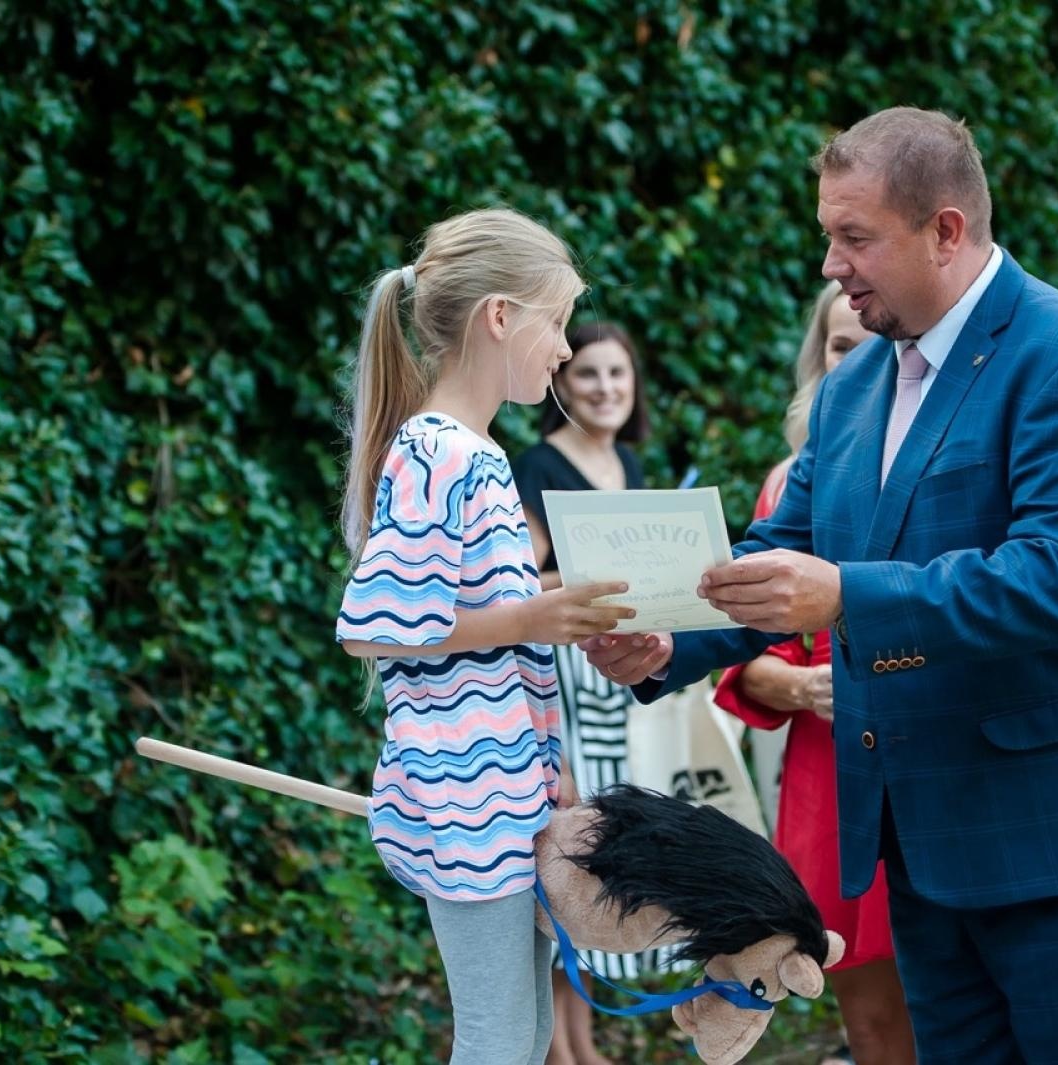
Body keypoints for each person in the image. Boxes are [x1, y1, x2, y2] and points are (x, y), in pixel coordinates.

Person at [582, 108, 1058, 1064]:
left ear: (945, 229)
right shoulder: (850, 395)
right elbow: (780, 550)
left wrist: (848, 595)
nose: (830, 266)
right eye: (826, 237)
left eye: (855, 237)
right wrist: (668, 642)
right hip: (928, 856)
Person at [334, 208, 633, 1065]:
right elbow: (375, 624)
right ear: (500, 317)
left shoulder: (477, 453)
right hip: (463, 806)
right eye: (558, 320)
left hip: (507, 796)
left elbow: (482, 631)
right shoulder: (440, 453)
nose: (567, 349)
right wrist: (535, 615)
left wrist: (549, 763)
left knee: (527, 1033)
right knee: (499, 1039)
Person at [712, 281, 914, 1065]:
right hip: (825, 767)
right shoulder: (788, 481)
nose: (853, 362)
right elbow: (747, 664)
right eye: (836, 347)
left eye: (867, 347)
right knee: (856, 988)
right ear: (816, 362)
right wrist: (801, 687)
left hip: (919, 744)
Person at [512, 322, 656, 1065]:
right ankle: (561, 1050)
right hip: (558, 676)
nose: (604, 388)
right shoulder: (538, 463)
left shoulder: (627, 462)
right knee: (564, 850)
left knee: (600, 853)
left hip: (615, 681)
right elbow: (520, 587)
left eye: (618, 375)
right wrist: (592, 581)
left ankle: (582, 1040)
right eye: (589, 374)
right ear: (563, 385)